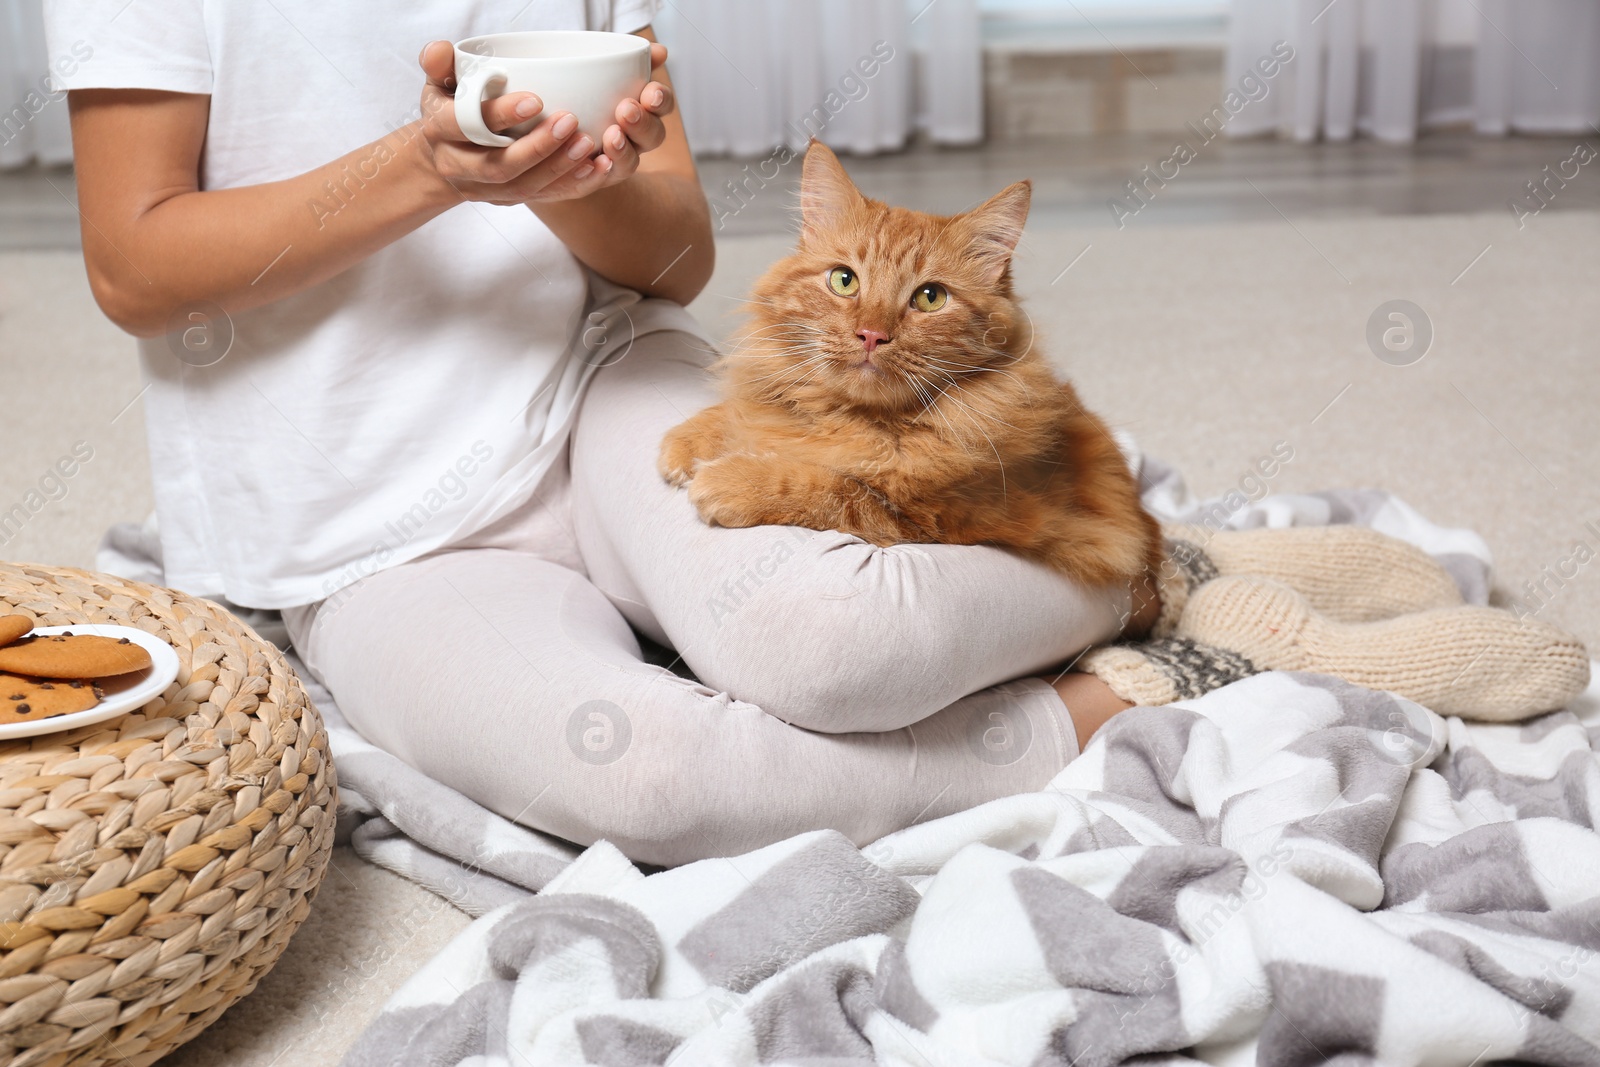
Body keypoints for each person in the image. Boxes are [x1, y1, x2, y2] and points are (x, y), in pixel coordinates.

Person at [46, 1, 1275, 868]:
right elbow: (134, 266)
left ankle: (1126, 567)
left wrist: (583, 189)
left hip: (605, 384)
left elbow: (675, 260)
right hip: (364, 523)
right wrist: (429, 170)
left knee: (829, 644)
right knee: (647, 776)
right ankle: (1087, 708)